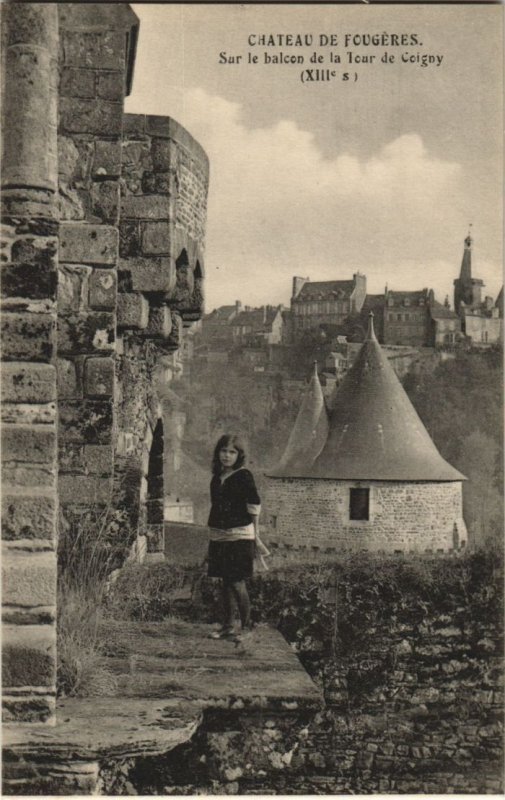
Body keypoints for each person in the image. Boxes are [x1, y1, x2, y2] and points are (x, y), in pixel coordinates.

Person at [207, 433, 268, 642]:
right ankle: (228, 627)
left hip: (240, 537)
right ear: (218, 453)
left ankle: (247, 627)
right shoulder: (217, 479)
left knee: (237, 582)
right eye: (223, 451)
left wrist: (255, 536)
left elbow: (254, 507)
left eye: (232, 452)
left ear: (239, 455)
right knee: (225, 582)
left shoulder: (244, 476)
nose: (226, 456)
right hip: (219, 536)